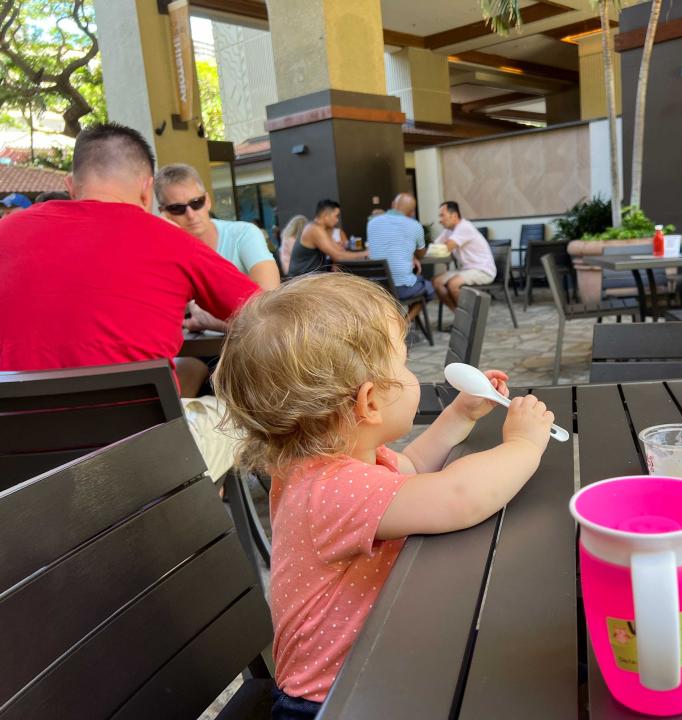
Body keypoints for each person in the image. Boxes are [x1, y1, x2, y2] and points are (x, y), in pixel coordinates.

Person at [212, 273, 553, 719]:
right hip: (335, 701)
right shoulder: (331, 489)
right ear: (369, 403)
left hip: (365, 672)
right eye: (405, 366)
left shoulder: (329, 461)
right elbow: (458, 496)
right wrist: (523, 446)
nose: (414, 376)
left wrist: (458, 415)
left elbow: (407, 471)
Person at [0, 122, 259, 480]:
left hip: (20, 467)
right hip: (141, 463)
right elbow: (266, 313)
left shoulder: (7, 232)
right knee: (236, 414)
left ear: (70, 186)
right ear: (147, 188)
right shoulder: (172, 241)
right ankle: (194, 513)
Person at [155, 163, 281, 293]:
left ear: (208, 201)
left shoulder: (243, 233)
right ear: (163, 213)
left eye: (197, 203)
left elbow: (269, 293)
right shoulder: (163, 251)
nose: (191, 215)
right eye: (177, 208)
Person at [366, 192, 434, 302]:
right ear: (412, 213)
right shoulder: (416, 226)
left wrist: (411, 255)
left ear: (393, 205)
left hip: (376, 288)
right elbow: (421, 254)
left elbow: (388, 244)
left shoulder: (372, 223)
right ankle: (406, 319)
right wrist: (414, 255)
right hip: (401, 288)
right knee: (429, 288)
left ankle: (398, 319)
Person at [431, 200, 496, 313]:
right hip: (467, 270)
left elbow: (445, 248)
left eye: (442, 215)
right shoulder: (449, 230)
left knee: (453, 284)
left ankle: (470, 320)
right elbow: (434, 248)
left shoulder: (464, 227)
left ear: (454, 215)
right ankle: (459, 317)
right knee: (436, 282)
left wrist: (438, 248)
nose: (439, 220)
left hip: (483, 270)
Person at [288, 199, 366, 277]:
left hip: (310, 278)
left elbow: (339, 251)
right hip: (299, 281)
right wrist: (366, 253)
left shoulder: (323, 230)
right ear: (325, 215)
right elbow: (338, 256)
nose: (337, 220)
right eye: (336, 216)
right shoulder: (313, 229)